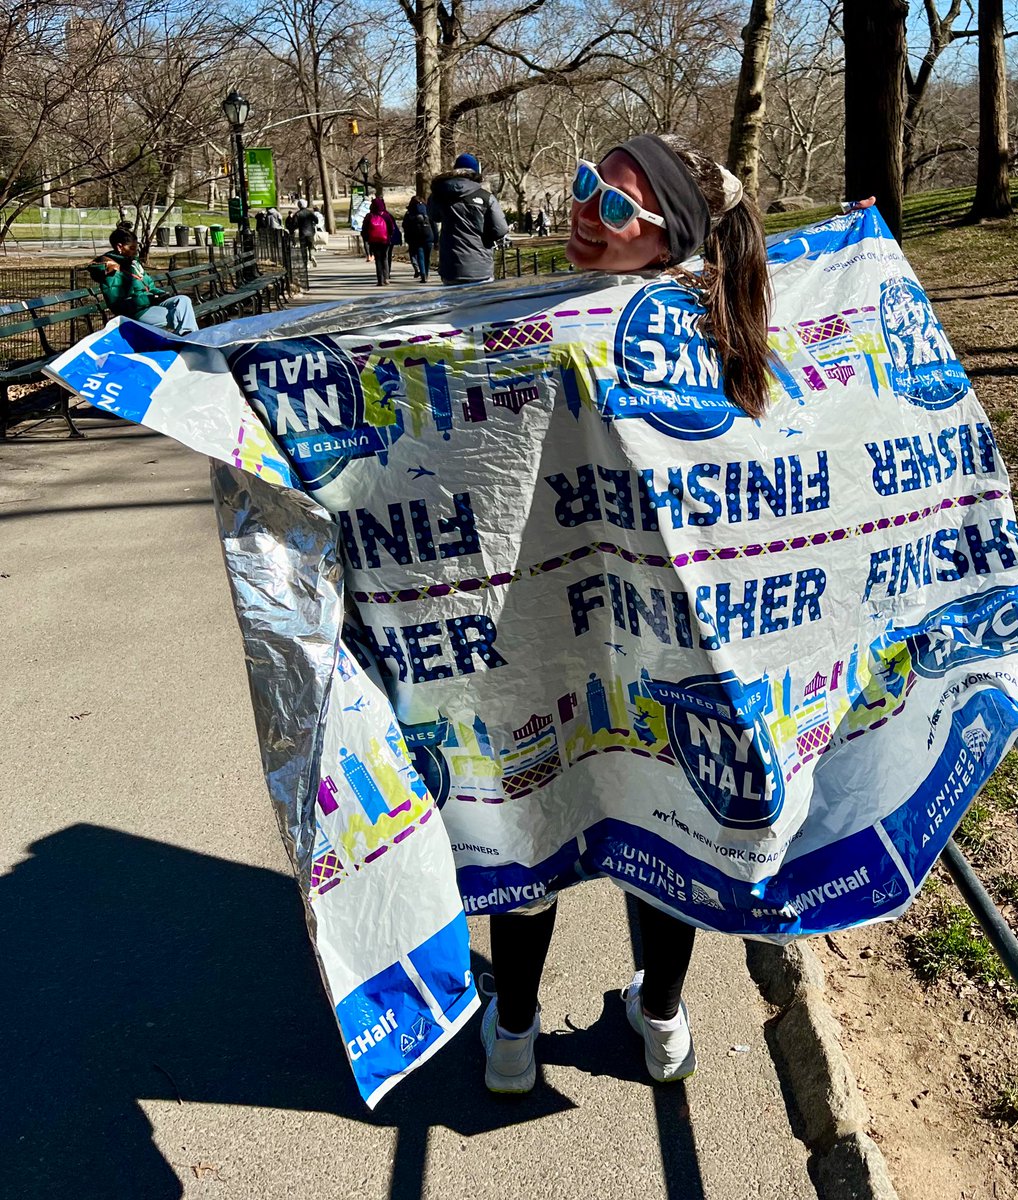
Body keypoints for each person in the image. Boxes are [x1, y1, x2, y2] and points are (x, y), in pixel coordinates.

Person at [480, 133, 773, 1095]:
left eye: (615, 209)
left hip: (554, 639)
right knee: (664, 821)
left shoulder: (560, 327)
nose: (583, 210)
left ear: (669, 242)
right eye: (583, 187)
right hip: (657, 644)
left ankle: (516, 1035)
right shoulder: (715, 339)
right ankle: (658, 1021)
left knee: (538, 816)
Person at [88, 227, 198, 335]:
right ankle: (191, 339)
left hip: (151, 303)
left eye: (136, 248)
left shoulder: (133, 264)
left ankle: (188, 337)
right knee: (180, 317)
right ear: (119, 247)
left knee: (183, 300)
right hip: (137, 313)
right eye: (131, 248)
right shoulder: (111, 271)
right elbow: (118, 305)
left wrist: (162, 295)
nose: (135, 252)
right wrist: (149, 299)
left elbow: (150, 286)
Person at [427, 152, 508, 286]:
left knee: (455, 305)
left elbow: (434, 216)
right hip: (480, 266)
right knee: (482, 306)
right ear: (476, 172)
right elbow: (500, 229)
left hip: (450, 266)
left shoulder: (439, 194)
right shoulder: (486, 197)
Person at [362, 196, 400, 286]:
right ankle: (386, 278)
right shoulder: (386, 215)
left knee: (378, 260)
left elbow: (364, 229)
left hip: (374, 240)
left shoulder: (369, 216)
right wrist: (389, 235)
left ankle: (380, 279)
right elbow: (392, 227)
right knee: (385, 258)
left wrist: (366, 238)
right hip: (385, 240)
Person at [402, 195, 434, 283]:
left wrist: (407, 237)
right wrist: (436, 239)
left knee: (420, 256)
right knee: (427, 256)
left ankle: (423, 274)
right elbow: (433, 225)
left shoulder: (409, 213)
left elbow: (405, 226)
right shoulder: (427, 211)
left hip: (416, 237)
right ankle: (427, 273)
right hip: (428, 235)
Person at [286, 199, 319, 266]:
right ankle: (311, 255)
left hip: (302, 233)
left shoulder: (297, 214)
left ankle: (306, 262)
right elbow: (316, 220)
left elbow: (294, 224)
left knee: (303, 248)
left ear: (299, 205)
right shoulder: (310, 213)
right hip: (310, 233)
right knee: (311, 246)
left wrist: (292, 230)